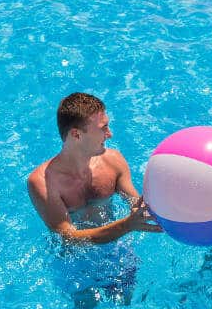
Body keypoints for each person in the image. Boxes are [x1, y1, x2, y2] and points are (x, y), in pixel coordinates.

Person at [27, 92, 162, 243]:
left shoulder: (113, 161)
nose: (109, 134)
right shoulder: (43, 182)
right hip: (74, 261)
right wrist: (126, 225)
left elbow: (136, 202)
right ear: (76, 135)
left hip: (116, 246)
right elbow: (67, 238)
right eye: (103, 128)